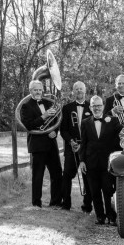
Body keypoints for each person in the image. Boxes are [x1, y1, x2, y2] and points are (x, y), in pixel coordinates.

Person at [79, 96, 123, 225]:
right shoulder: (85, 122)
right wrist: (82, 161)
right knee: (94, 191)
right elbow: (83, 143)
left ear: (103, 106)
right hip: (90, 163)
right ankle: (100, 216)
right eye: (94, 106)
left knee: (108, 190)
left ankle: (111, 215)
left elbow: (121, 135)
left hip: (108, 163)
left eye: (99, 105)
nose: (96, 108)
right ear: (90, 107)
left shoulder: (113, 121)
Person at [20, 80, 63, 208]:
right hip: (37, 145)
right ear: (30, 91)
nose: (38, 92)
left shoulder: (48, 103)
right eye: (35, 90)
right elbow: (28, 125)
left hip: (51, 143)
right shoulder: (26, 106)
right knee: (38, 174)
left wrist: (54, 131)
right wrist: (44, 116)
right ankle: (36, 203)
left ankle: (55, 201)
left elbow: (56, 120)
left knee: (57, 172)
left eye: (39, 89)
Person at [59, 81, 93, 213]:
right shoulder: (67, 108)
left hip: (87, 148)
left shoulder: (92, 106)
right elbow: (63, 130)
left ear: (85, 91)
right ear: (73, 92)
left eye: (81, 89)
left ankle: (87, 206)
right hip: (72, 147)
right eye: (76, 89)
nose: (79, 91)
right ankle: (66, 204)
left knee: (87, 177)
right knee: (67, 174)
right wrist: (71, 142)